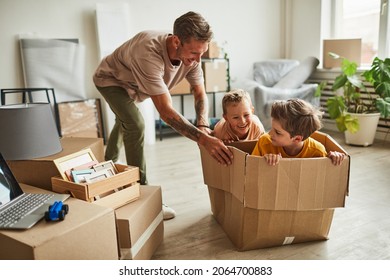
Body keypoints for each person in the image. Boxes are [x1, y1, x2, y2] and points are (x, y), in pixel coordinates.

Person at [93, 11, 233, 220]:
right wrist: (204, 140)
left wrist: (202, 125)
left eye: (202, 53)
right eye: (194, 53)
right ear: (177, 41)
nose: (197, 60)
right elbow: (166, 113)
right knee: (135, 124)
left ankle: (108, 161)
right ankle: (142, 194)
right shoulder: (148, 53)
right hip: (111, 79)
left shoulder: (192, 57)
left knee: (125, 119)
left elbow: (200, 94)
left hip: (136, 86)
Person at [251, 98, 345, 165]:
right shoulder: (264, 142)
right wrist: (263, 162)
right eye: (272, 128)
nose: (270, 133)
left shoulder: (317, 151)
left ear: (297, 139)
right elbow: (250, 169)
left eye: (278, 132)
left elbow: (324, 174)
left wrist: (334, 158)